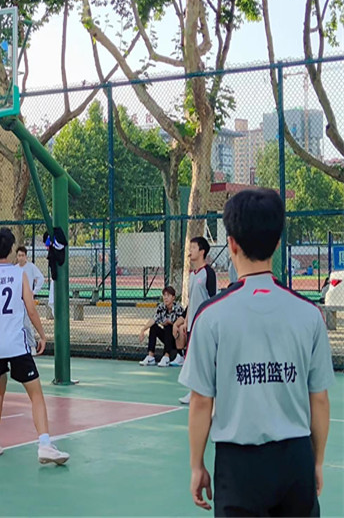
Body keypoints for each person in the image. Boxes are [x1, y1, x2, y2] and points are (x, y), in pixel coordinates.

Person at [178, 188, 334, 516]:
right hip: (295, 457)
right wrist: (317, 462)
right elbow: (319, 399)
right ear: (277, 243)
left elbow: (201, 401)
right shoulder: (309, 314)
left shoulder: (211, 317)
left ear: (231, 243)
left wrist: (196, 465)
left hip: (238, 464)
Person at [0, 228, 69, 465]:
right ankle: (45, 444)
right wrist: (42, 334)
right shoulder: (19, 274)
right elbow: (31, 309)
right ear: (11, 250)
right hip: (16, 344)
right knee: (36, 394)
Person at [177, 236, 217, 404]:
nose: (190, 250)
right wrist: (185, 320)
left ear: (202, 251)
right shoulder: (192, 275)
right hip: (192, 325)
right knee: (193, 359)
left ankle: (209, 392)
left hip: (204, 324)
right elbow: (191, 301)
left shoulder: (208, 273)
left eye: (193, 247)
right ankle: (194, 392)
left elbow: (213, 299)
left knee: (205, 359)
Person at [138, 286, 185, 367]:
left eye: (168, 295)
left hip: (176, 338)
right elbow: (154, 319)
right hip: (166, 337)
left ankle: (166, 357)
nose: (165, 298)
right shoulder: (161, 307)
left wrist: (171, 323)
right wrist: (143, 330)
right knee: (154, 327)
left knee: (169, 327)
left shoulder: (178, 308)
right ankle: (150, 356)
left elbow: (182, 323)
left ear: (173, 297)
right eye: (164, 295)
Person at [16, 246, 45, 352]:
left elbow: (40, 278)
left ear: (26, 256)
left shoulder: (31, 267)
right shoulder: (15, 268)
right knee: (18, 323)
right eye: (19, 255)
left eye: (22, 255)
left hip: (27, 299)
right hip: (17, 300)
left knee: (27, 323)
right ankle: (21, 345)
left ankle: (32, 345)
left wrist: (34, 291)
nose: (21, 258)